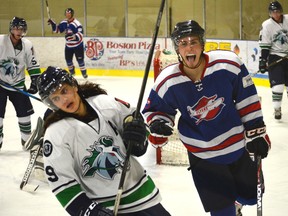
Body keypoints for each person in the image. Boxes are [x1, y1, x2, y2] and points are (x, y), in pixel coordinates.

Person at [142, 20, 271, 216]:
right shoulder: (168, 81)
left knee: (252, 195)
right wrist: (159, 123)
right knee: (221, 211)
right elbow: (157, 111)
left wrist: (257, 134)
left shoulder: (228, 64)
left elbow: (248, 99)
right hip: (202, 156)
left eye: (193, 42)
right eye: (183, 43)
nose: (189, 47)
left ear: (202, 44)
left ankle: (236, 202)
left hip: (236, 146)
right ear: (177, 49)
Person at [36, 66, 171, 216]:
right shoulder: (56, 133)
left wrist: (138, 138)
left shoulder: (105, 104)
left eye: (64, 91)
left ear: (74, 85)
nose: (63, 100)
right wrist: (87, 210)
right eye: (56, 98)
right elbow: (61, 182)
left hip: (141, 195)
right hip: (103, 207)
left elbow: (134, 118)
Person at [0, 17, 41, 150]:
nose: (18, 31)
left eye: (21, 28)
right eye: (16, 28)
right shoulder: (1, 41)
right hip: (1, 84)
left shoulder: (27, 45)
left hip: (18, 85)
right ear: (11, 29)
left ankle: (26, 140)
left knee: (25, 114)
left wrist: (35, 82)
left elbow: (32, 64)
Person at [259, 1, 288, 120]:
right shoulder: (267, 25)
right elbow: (265, 45)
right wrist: (263, 61)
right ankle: (277, 109)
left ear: (281, 11)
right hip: (275, 57)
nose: (275, 14)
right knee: (278, 86)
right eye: (272, 12)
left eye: (277, 11)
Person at [47, 8, 88, 79]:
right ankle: (72, 73)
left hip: (78, 46)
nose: (67, 15)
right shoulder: (64, 22)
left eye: (69, 13)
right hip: (68, 46)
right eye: (66, 13)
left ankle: (84, 73)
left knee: (80, 61)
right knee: (68, 60)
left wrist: (73, 37)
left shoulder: (77, 23)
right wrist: (52, 24)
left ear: (72, 14)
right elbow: (57, 30)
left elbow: (81, 35)